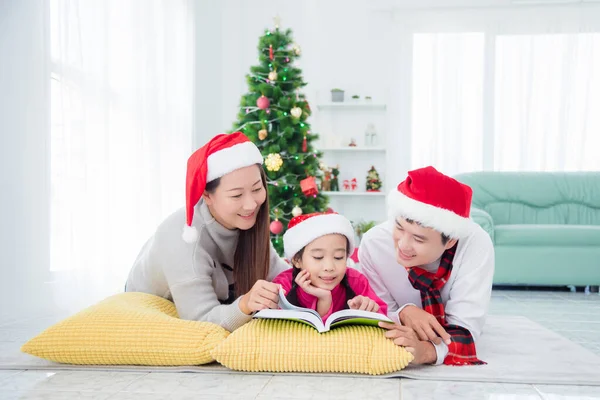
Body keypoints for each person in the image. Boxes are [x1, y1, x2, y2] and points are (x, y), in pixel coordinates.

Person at [125, 132, 290, 332]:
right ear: (207, 196)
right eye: (236, 195)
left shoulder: (245, 222)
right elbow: (201, 320)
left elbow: (278, 272)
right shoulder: (183, 239)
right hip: (150, 308)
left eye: (257, 189)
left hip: (215, 303)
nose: (251, 204)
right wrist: (244, 305)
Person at [358, 166, 495, 365]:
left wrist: (426, 352)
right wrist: (403, 312)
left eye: (419, 239)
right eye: (399, 227)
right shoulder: (374, 244)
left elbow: (465, 328)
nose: (403, 245)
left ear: (450, 241)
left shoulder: (475, 244)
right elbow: (375, 312)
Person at [272, 212, 387, 320]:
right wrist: (323, 300)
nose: (329, 267)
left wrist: (370, 309)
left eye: (338, 257)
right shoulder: (283, 285)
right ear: (297, 260)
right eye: (318, 257)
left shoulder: (356, 282)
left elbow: (384, 319)